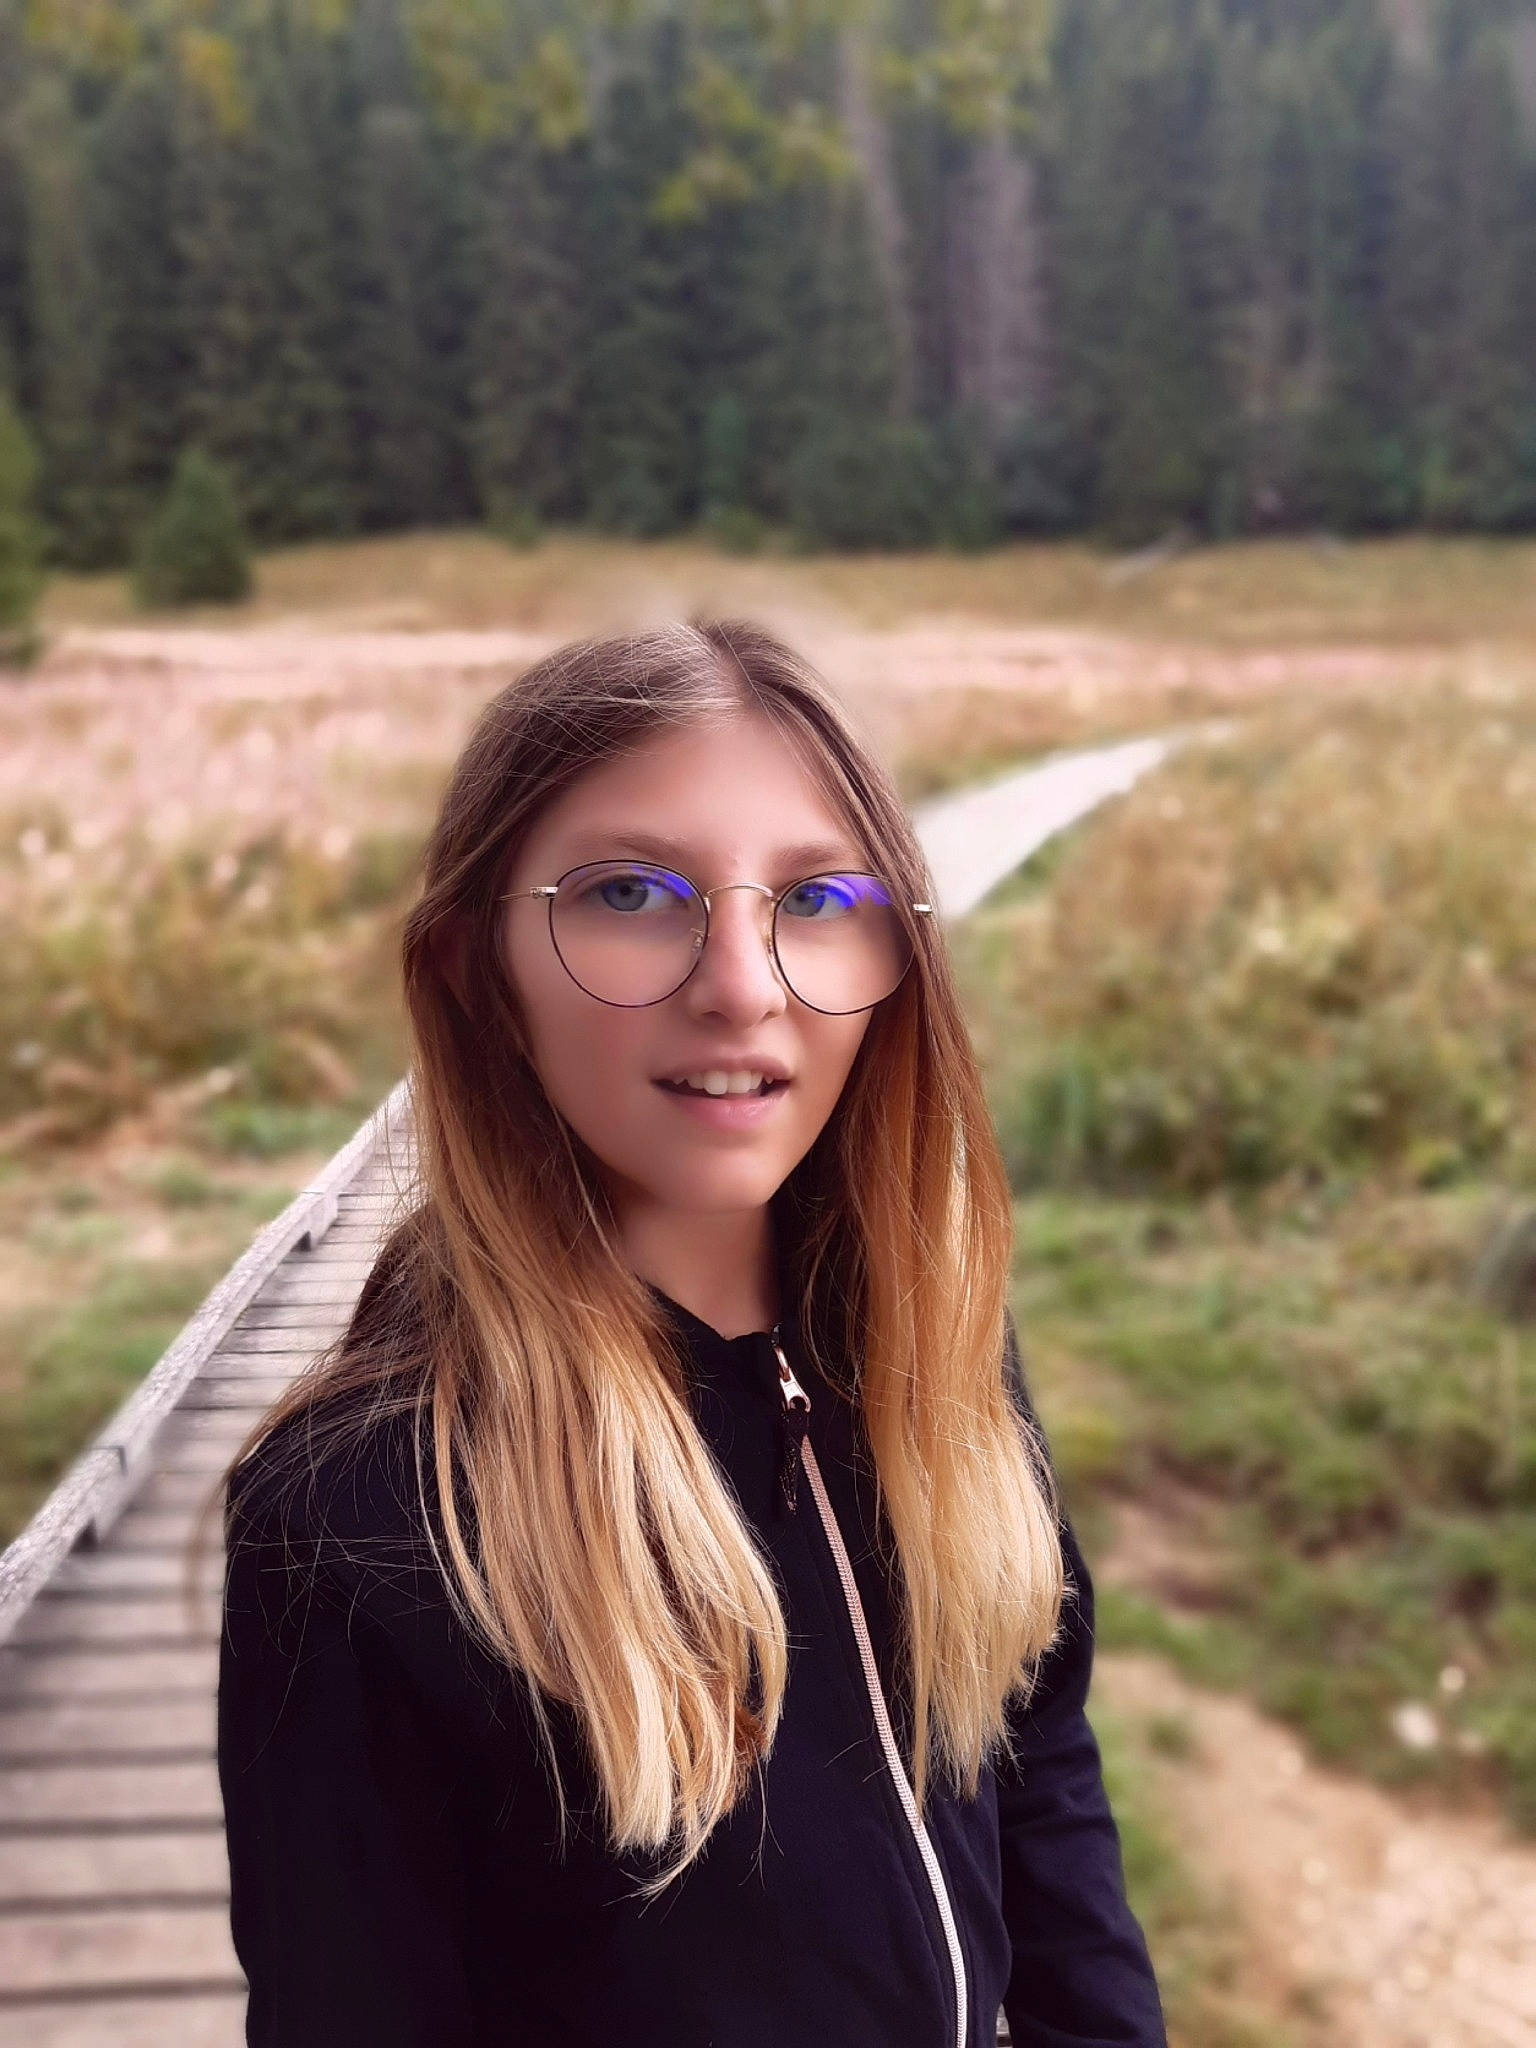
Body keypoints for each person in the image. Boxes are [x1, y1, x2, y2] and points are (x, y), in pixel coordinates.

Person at [217, 619, 1167, 2048]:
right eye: (632, 892)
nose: (742, 982)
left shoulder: (939, 1357)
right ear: (483, 971)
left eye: (821, 896)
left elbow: (1032, 1752)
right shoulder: (363, 1523)